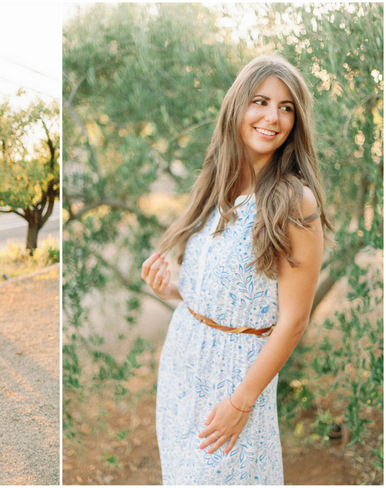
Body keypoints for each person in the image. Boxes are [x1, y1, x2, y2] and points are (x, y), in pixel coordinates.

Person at [141, 54, 330, 484]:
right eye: (260, 101)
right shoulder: (219, 184)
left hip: (236, 380)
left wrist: (242, 401)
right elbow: (222, 290)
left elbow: (294, 320)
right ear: (237, 108)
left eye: (286, 108)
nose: (272, 117)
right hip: (182, 369)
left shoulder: (294, 202)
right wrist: (173, 287)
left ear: (296, 122)